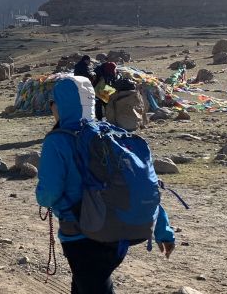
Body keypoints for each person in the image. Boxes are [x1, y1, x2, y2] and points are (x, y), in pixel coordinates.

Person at [36, 76, 175, 294]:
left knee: (93, 285)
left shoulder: (58, 140)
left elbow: (48, 194)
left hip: (82, 234)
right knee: (85, 285)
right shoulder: (110, 133)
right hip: (118, 232)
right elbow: (139, 183)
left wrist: (43, 198)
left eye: (53, 103)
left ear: (59, 105)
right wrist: (163, 230)